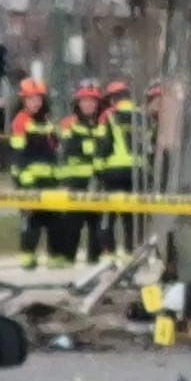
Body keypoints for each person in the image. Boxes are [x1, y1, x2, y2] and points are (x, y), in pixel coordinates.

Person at [9, 78, 66, 270]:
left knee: (54, 221)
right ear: (24, 100)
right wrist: (25, 184)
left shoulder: (47, 120)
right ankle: (27, 257)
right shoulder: (20, 121)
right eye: (31, 98)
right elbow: (19, 156)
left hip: (50, 180)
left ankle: (54, 256)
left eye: (38, 98)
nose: (36, 102)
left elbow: (55, 148)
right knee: (32, 221)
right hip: (29, 181)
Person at [57, 79, 112, 264]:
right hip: (74, 184)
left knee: (96, 229)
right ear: (77, 103)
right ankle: (67, 265)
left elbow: (107, 149)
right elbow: (68, 150)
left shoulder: (103, 124)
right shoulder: (68, 124)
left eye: (93, 101)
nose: (89, 104)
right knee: (71, 229)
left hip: (97, 183)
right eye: (85, 100)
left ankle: (92, 268)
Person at [94, 79, 141, 263]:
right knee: (130, 218)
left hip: (113, 172)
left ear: (112, 99)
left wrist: (98, 170)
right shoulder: (141, 115)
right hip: (137, 172)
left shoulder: (108, 115)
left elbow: (103, 145)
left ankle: (109, 256)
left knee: (107, 215)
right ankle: (131, 255)